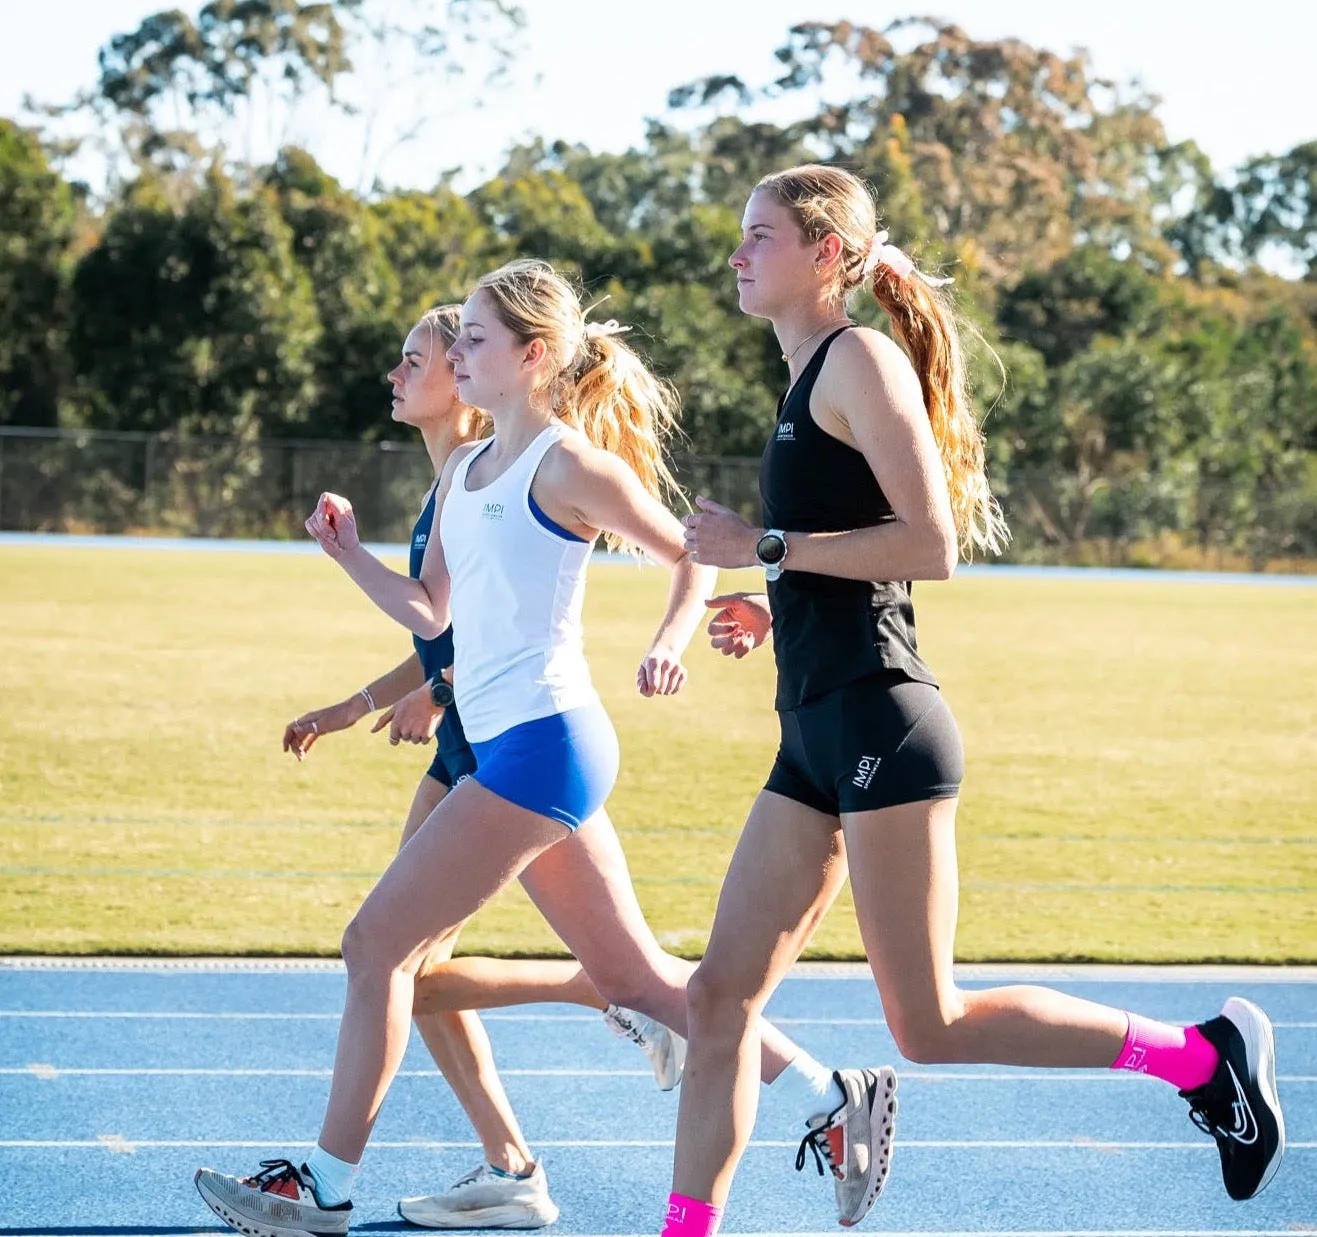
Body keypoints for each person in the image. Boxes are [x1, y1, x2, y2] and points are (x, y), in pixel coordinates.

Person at [194, 260, 886, 1237]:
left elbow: (689, 555)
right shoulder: (462, 472)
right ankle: (830, 1093)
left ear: (534, 357)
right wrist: (347, 557)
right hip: (523, 752)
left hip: (541, 748)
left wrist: (666, 641)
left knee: (375, 945)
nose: (459, 352)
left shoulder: (566, 465)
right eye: (460, 339)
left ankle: (325, 1188)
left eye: (474, 339)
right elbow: (431, 610)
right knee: (638, 982)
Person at [665, 163, 1286, 1236]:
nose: (737, 253)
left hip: (881, 724)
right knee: (719, 1000)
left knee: (930, 1023)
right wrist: (779, 594)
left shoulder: (858, 359)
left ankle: (1198, 1059)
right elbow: (855, 544)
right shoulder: (810, 369)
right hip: (812, 733)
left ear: (826, 256)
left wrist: (762, 545)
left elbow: (930, 545)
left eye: (759, 235)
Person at [269, 304, 683, 1231]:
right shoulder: (456, 481)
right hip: (485, 747)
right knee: (406, 966)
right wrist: (361, 703)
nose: (405, 370)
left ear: (477, 375)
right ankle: (513, 1161)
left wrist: (438, 689)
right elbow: (442, 626)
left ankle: (603, 1002)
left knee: (392, 956)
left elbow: (479, 637)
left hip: (512, 747)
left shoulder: (512, 471)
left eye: (428, 354)